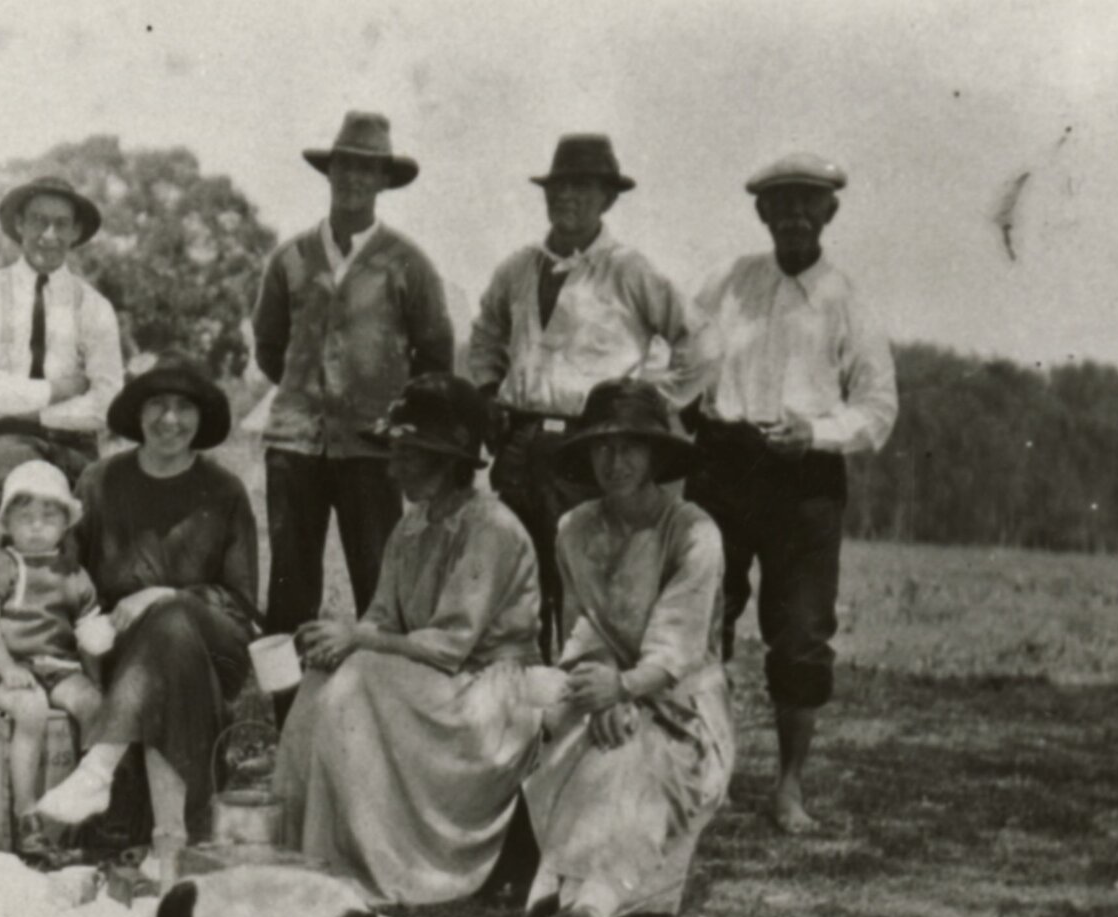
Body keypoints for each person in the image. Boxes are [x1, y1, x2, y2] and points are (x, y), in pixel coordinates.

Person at [684, 153, 897, 834]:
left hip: (803, 480)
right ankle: (695, 773)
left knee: (801, 636)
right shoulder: (725, 284)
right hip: (722, 466)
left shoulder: (846, 300)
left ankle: (788, 788)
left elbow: (877, 408)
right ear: (762, 215)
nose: (794, 218)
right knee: (699, 619)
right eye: (781, 207)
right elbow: (682, 361)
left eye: (808, 205)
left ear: (828, 213)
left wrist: (816, 432)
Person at [274, 374, 543, 905]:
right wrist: (340, 639)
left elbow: (450, 645)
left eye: (407, 455)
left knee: (361, 676)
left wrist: (360, 641)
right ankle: (306, 849)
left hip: (491, 689)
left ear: (446, 460)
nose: (392, 467)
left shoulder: (491, 528)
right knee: (325, 674)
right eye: (393, 452)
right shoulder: (413, 527)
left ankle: (375, 859)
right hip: (432, 682)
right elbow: (382, 620)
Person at [465, 133, 701, 658]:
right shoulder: (519, 268)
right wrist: (487, 392)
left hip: (590, 444)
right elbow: (484, 335)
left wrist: (653, 405)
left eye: (583, 188)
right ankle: (525, 705)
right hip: (523, 441)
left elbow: (698, 340)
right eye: (559, 186)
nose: (567, 197)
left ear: (607, 199)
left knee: (585, 580)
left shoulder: (628, 270)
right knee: (518, 580)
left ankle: (587, 700)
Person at [521, 380, 733, 917]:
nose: (616, 462)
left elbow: (675, 647)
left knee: (644, 758)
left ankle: (593, 903)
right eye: (602, 447)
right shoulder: (574, 529)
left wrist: (626, 689)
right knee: (559, 725)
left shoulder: (693, 532)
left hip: (681, 700)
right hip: (604, 686)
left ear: (655, 454)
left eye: (631, 447)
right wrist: (603, 689)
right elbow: (581, 626)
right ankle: (559, 887)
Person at [31, 354, 259, 881]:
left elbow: (242, 604)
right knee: (165, 643)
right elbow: (64, 578)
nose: (171, 420)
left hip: (213, 647)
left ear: (201, 419)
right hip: (118, 654)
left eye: (184, 408)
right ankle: (169, 843)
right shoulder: (100, 481)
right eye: (158, 405)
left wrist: (162, 594)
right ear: (138, 414)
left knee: (172, 618)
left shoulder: (224, 491)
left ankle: (98, 769)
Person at [252, 110, 454, 648]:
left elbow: (435, 355)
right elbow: (270, 347)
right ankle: (288, 720)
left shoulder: (407, 263)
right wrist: (308, 393)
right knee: (290, 589)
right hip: (294, 446)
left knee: (380, 586)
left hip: (372, 450)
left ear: (384, 181)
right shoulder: (291, 257)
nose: (354, 179)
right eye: (345, 166)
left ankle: (378, 708)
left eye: (368, 170)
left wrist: (386, 414)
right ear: (329, 172)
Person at [0, 175, 125, 489]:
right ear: (20, 224)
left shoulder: (94, 306)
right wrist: (60, 390)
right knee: (29, 487)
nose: (49, 235)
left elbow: (108, 402)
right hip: (2, 438)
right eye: (38, 221)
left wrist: (36, 415)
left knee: (102, 501)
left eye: (62, 224)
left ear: (75, 232)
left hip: (75, 444)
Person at [0, 459, 107, 829]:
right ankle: (26, 811)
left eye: (49, 517)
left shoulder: (73, 572)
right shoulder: (2, 565)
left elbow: (87, 635)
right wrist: (6, 669)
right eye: (25, 516)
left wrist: (95, 679)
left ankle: (87, 794)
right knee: (31, 710)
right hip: (5, 669)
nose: (37, 525)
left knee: (94, 706)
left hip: (58, 667)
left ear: (65, 523)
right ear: (8, 523)